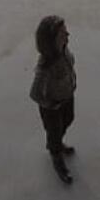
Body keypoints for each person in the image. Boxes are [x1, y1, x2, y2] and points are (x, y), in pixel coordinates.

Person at [30, 15, 77, 184]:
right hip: (53, 107)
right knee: (54, 130)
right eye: (63, 34)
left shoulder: (64, 51)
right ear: (51, 41)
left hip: (66, 97)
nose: (68, 35)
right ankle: (57, 156)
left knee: (69, 118)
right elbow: (35, 93)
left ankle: (56, 143)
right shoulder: (45, 66)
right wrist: (50, 104)